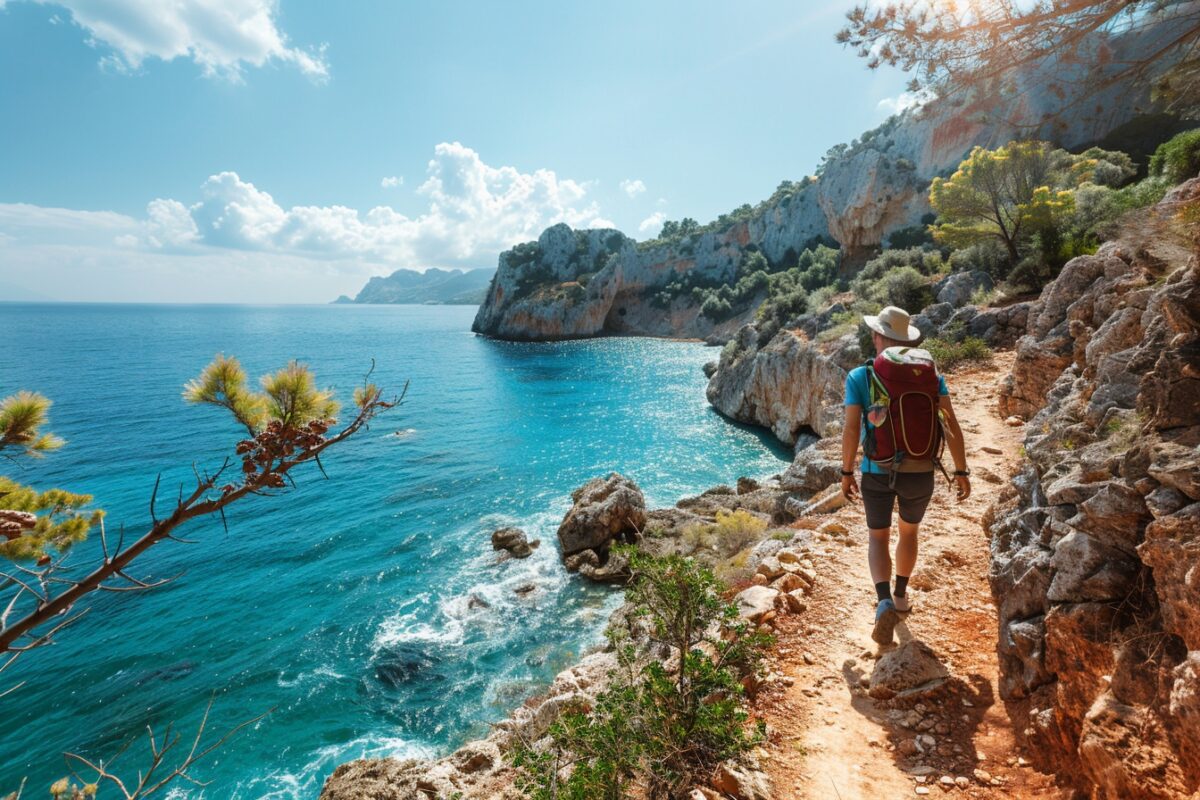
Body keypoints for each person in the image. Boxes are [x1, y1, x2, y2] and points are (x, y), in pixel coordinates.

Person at [839, 305, 971, 645]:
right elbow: (951, 425)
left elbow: (851, 430)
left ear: (879, 336)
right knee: (909, 531)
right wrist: (961, 470)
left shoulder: (860, 376)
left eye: (875, 333)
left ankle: (883, 601)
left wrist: (846, 471)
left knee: (878, 536)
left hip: (876, 471)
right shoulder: (931, 376)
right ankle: (901, 594)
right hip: (921, 470)